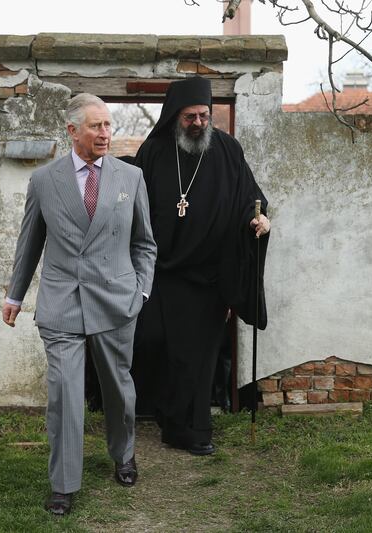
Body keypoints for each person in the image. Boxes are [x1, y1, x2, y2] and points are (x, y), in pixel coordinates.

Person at [2, 93, 156, 515]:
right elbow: (29, 242)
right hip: (63, 301)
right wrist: (15, 295)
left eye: (108, 125)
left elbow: (145, 243)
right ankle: (63, 483)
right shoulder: (44, 181)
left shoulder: (131, 178)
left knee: (117, 390)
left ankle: (123, 454)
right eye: (96, 126)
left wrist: (140, 291)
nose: (105, 133)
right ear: (72, 131)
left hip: (116, 300)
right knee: (65, 394)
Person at [132, 76, 270, 456]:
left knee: (200, 356)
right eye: (191, 116)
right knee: (158, 345)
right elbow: (134, 208)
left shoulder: (227, 150)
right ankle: (165, 415)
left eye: (204, 116)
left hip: (210, 275)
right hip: (162, 274)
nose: (199, 123)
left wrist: (259, 221)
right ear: (175, 116)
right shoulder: (154, 151)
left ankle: (193, 431)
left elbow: (251, 199)